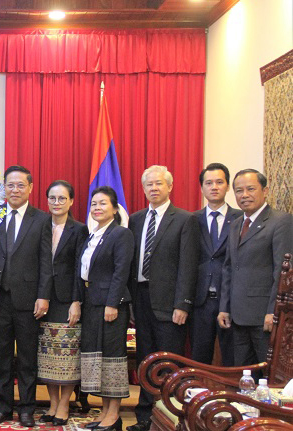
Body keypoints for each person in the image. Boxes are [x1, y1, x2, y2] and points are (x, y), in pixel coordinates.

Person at [0, 165, 51, 428]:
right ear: (3, 188)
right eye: (10, 185)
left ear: (30, 188)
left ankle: (27, 409)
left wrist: (43, 296)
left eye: (20, 185)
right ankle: (1, 406)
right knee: (0, 355)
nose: (15, 189)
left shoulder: (41, 219)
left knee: (28, 357)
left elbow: (45, 262)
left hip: (30, 300)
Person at [127, 165, 199, 431]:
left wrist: (183, 304)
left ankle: (169, 416)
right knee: (146, 359)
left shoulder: (184, 219)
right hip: (141, 299)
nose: (154, 188)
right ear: (143, 188)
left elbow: (188, 265)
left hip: (171, 304)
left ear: (170, 186)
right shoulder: (135, 219)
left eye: (159, 183)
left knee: (169, 362)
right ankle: (145, 416)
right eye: (149, 184)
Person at [218, 169, 293, 366]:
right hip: (237, 315)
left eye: (250, 189)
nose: (244, 195)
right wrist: (224, 307)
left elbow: (282, 273)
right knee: (243, 372)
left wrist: (274, 312)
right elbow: (229, 268)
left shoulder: (281, 221)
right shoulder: (235, 224)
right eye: (239, 190)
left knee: (268, 374)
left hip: (264, 317)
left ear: (265, 190)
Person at [79, 186, 134, 431]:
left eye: (102, 203)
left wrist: (112, 303)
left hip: (111, 306)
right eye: (93, 204)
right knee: (97, 359)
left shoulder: (121, 234)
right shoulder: (93, 234)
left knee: (113, 360)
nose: (97, 208)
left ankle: (114, 415)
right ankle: (103, 412)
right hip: (92, 303)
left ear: (114, 208)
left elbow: (121, 272)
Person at [37, 180, 88, 426]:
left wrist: (76, 300)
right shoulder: (39, 225)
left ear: (71, 201)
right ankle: (53, 403)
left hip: (67, 298)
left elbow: (80, 267)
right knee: (48, 354)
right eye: (52, 198)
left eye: (62, 198)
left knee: (66, 355)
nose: (56, 203)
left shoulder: (79, 229)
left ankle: (64, 404)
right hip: (42, 297)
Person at [191, 163, 241, 366]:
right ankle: (198, 397)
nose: (214, 187)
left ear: (227, 186)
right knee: (199, 356)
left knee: (231, 357)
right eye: (208, 183)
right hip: (200, 300)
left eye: (219, 182)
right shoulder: (192, 219)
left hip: (230, 299)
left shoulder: (240, 218)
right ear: (202, 188)